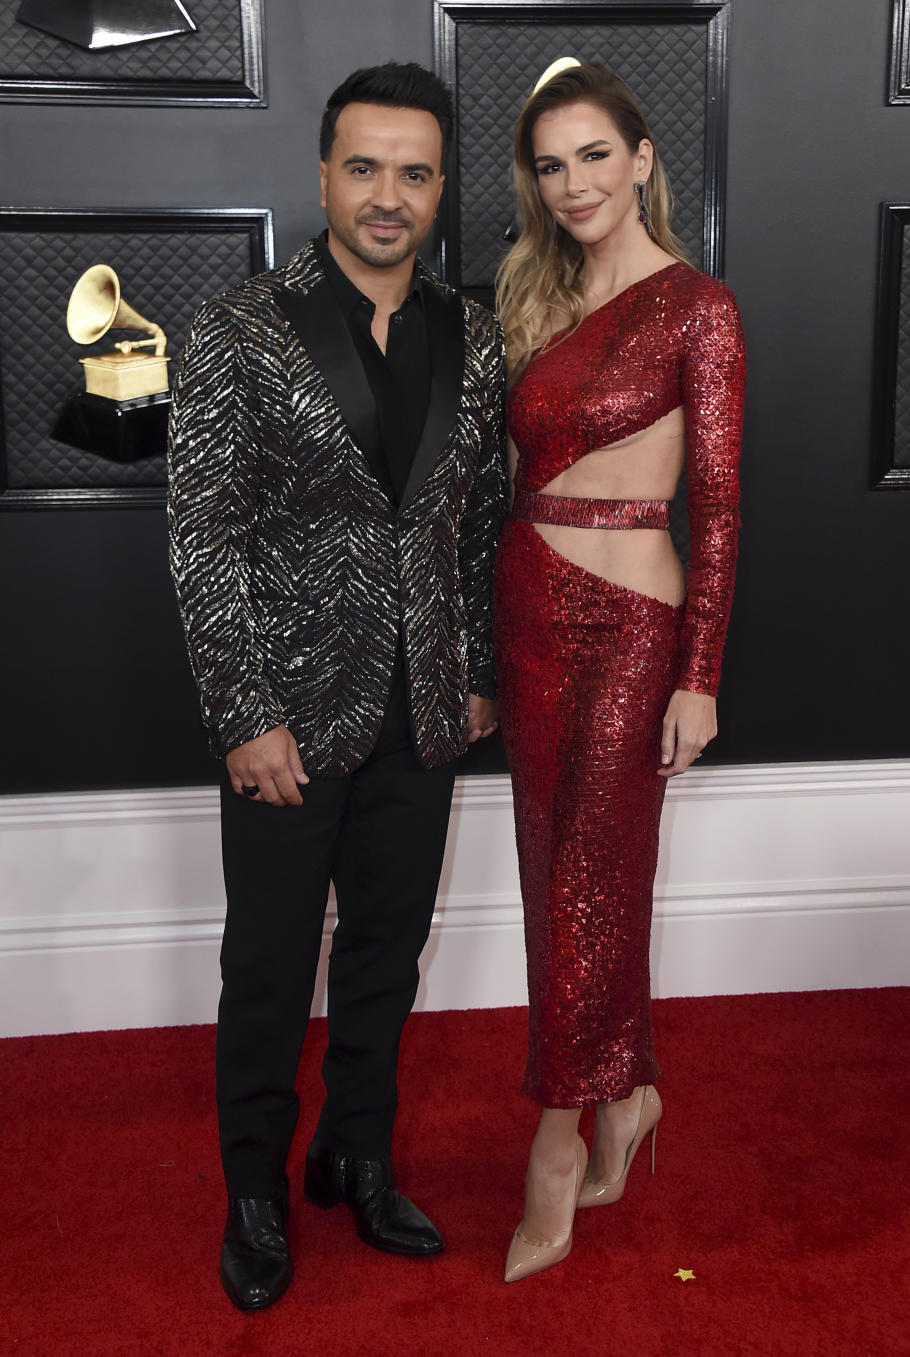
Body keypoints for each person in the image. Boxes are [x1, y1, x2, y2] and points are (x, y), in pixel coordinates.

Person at [168, 61, 507, 1311]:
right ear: (323, 174)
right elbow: (203, 535)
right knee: (265, 963)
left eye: (414, 173)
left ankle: (354, 1154)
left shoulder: (477, 335)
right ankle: (252, 1190)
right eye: (364, 167)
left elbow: (475, 523)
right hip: (285, 724)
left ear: (437, 189)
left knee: (387, 952)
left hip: (425, 712)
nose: (388, 195)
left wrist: (470, 675)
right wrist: (243, 711)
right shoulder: (238, 328)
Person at [493, 60, 745, 1282]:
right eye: (552, 163)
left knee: (594, 886)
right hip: (525, 614)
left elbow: (725, 501)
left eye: (596, 154)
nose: (575, 182)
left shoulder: (699, 305)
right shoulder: (533, 295)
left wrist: (699, 671)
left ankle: (557, 1145)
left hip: (633, 626)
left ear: (643, 157)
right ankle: (626, 1096)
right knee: (559, 882)